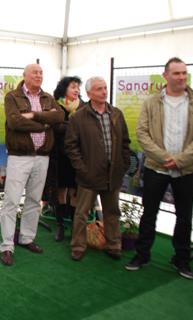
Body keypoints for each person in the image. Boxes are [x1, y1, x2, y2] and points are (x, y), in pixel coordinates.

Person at [125, 57, 193, 279]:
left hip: (186, 170)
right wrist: (164, 157)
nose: (182, 77)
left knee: (184, 216)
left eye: (184, 73)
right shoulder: (151, 102)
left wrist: (181, 160)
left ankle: (181, 259)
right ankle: (142, 255)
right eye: (177, 73)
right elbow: (142, 133)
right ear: (166, 76)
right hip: (157, 167)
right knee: (149, 213)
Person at [0, 64, 64, 266]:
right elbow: (15, 122)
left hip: (42, 157)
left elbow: (59, 117)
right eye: (34, 72)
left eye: (41, 72)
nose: (38, 75)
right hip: (19, 157)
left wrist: (35, 115)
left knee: (35, 200)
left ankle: (26, 238)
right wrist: (45, 123)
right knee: (11, 201)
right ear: (24, 76)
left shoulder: (48, 98)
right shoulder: (12, 97)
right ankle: (7, 245)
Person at [65, 76, 131, 261]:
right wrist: (82, 169)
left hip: (113, 174)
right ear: (89, 93)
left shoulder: (117, 114)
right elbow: (71, 146)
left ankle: (114, 245)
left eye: (105, 88)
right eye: (99, 89)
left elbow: (125, 142)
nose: (104, 91)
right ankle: (78, 246)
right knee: (81, 214)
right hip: (88, 176)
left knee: (112, 212)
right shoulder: (78, 117)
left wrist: (123, 164)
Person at [51, 76, 83, 241]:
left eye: (78, 87)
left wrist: (67, 126)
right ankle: (60, 226)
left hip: (78, 155)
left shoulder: (83, 106)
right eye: (73, 87)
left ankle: (74, 228)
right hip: (59, 155)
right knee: (61, 191)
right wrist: (73, 127)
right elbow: (55, 127)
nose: (76, 90)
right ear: (64, 89)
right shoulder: (56, 105)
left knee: (75, 191)